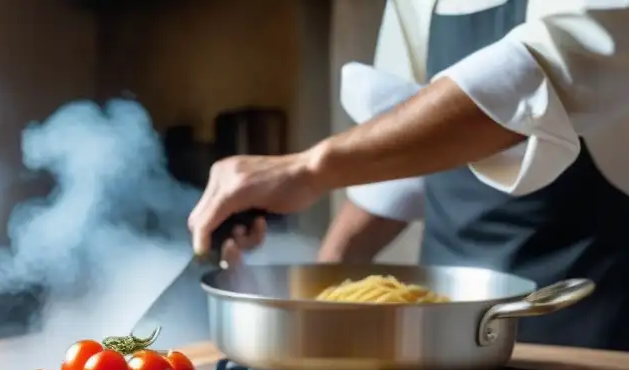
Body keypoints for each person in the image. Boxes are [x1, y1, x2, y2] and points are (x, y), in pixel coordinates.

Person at [188, 0, 629, 352]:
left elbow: (539, 77)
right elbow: (404, 144)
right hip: (449, 333)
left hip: (592, 317)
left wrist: (309, 167)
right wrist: (322, 286)